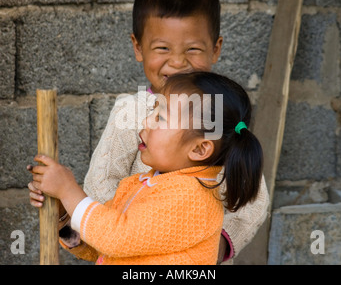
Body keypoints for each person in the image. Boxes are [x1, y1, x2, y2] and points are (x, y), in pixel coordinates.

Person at [28, 0, 270, 264]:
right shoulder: (129, 113)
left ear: (215, 48)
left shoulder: (219, 115)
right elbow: (104, 192)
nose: (178, 62)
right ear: (138, 47)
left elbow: (252, 201)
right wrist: (67, 211)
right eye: (162, 48)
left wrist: (206, 247)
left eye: (193, 49)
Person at [28, 71, 264, 265]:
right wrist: (64, 213)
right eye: (152, 111)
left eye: (160, 117)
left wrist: (69, 191)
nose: (146, 121)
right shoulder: (144, 184)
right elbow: (103, 244)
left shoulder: (192, 199)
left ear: (200, 149)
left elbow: (115, 237)